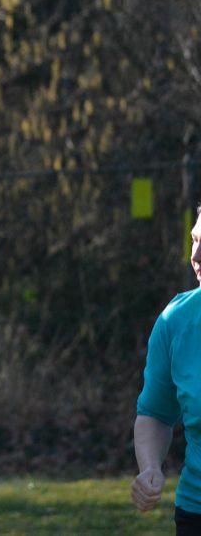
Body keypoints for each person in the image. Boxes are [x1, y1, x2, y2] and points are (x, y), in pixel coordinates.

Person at [132, 205, 201, 534]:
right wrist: (150, 468)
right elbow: (156, 414)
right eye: (194, 240)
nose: (197, 256)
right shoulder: (175, 321)